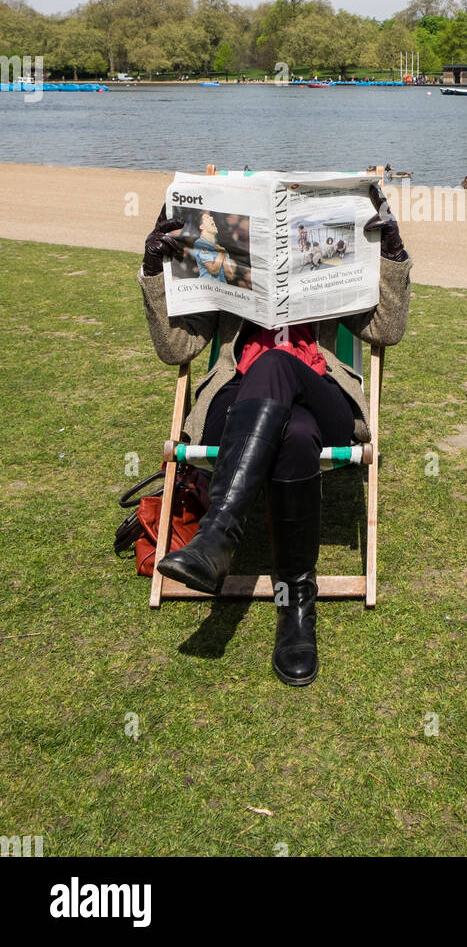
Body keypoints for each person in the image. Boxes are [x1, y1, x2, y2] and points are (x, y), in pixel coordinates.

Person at [137, 186, 411, 687]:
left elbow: (387, 331)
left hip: (320, 394)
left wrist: (390, 250)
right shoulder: (226, 265)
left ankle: (217, 535)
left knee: (281, 363)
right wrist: (156, 268)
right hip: (239, 402)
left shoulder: (329, 262)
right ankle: (297, 606)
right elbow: (176, 347)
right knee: (295, 436)